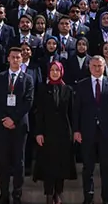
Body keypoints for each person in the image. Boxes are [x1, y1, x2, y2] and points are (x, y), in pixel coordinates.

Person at [73, 56, 108, 204]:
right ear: (89, 67)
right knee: (88, 167)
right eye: (94, 66)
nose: (96, 68)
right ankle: (88, 197)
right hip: (87, 131)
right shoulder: (81, 85)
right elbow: (76, 110)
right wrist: (76, 130)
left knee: (106, 167)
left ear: (104, 67)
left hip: (107, 131)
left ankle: (106, 198)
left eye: (99, 66)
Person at [0, 47, 36, 204]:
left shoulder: (28, 78)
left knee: (19, 161)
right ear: (8, 59)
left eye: (19, 57)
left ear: (22, 59)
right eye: (13, 57)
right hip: (2, 124)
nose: (16, 59)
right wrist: (5, 118)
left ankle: (17, 194)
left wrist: (14, 119)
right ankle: (3, 194)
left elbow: (28, 101)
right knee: (4, 161)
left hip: (20, 125)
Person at [34, 61, 76, 204]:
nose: (54, 72)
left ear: (61, 72)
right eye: (52, 70)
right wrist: (39, 132)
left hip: (64, 133)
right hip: (47, 132)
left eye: (57, 70)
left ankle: (58, 193)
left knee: (61, 164)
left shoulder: (68, 89)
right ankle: (49, 193)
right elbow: (39, 113)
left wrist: (74, 132)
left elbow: (72, 113)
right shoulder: (42, 89)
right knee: (48, 164)